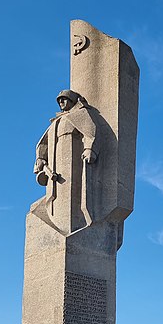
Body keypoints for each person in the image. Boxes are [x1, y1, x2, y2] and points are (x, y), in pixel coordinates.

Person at [33, 90, 99, 231]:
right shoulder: (56, 122)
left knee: (71, 194)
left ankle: (73, 225)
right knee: (55, 197)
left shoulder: (79, 115)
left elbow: (90, 131)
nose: (61, 102)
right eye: (59, 100)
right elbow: (43, 143)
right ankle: (58, 222)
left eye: (64, 99)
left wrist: (89, 149)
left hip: (72, 163)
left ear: (73, 100)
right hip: (55, 166)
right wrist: (40, 158)